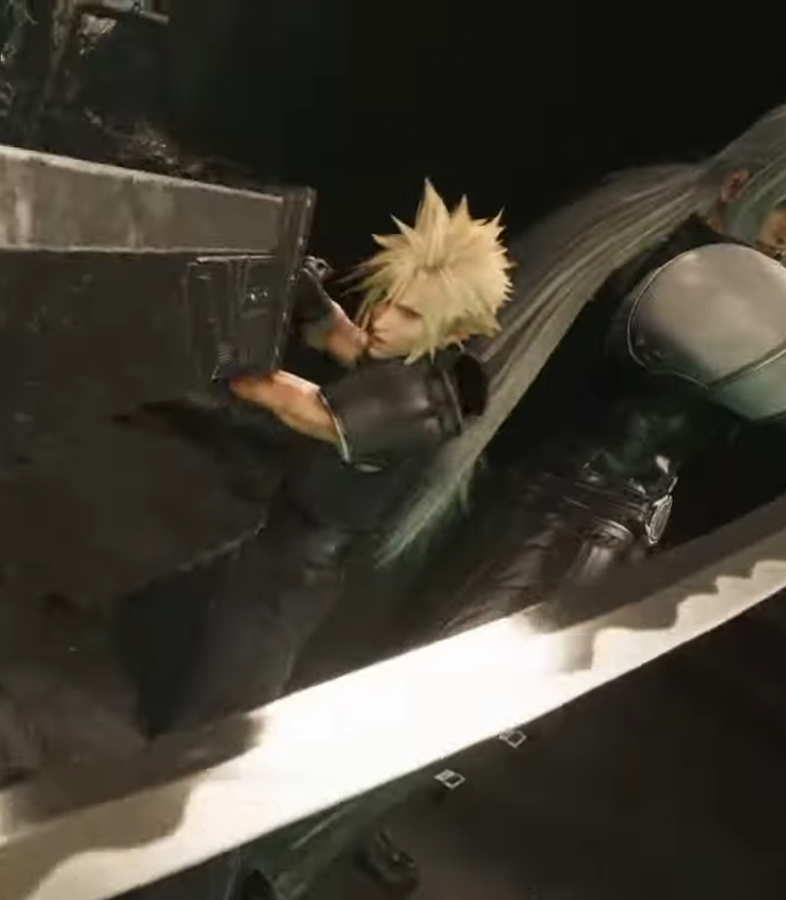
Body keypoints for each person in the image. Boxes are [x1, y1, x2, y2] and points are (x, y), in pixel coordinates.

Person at [247, 92, 786, 900]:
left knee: (450, 699)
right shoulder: (703, 285)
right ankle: (274, 873)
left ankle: (335, 836)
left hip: (558, 500)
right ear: (742, 185)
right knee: (447, 719)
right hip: (571, 521)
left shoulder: (663, 214)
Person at [117, 179, 514, 900]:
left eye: (407, 313)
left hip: (288, 580)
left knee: (213, 763)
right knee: (157, 628)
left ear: (452, 330)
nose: (383, 319)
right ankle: (143, 803)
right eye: (387, 299)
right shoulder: (406, 359)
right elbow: (342, 336)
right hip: (274, 548)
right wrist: (303, 292)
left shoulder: (414, 404)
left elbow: (276, 395)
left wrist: (216, 330)